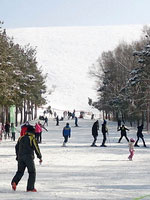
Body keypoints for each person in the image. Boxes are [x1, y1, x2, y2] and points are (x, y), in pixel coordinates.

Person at [11, 125, 42, 192]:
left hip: (20, 157)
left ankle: (14, 182)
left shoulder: (21, 138)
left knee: (20, 171)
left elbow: (16, 147)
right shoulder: (32, 138)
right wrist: (39, 156)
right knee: (32, 172)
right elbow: (36, 148)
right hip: (29, 157)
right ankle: (30, 188)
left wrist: (17, 156)